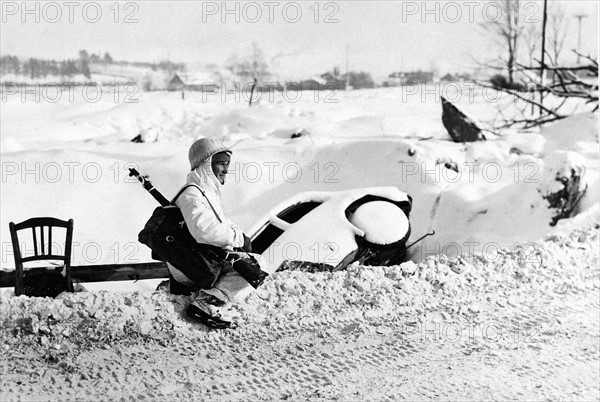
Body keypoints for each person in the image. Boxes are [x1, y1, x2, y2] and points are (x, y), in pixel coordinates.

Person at [168, 137, 262, 329]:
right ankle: (206, 303)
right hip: (190, 265)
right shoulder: (191, 195)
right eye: (221, 163)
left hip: (202, 260)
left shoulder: (206, 192)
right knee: (255, 265)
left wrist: (240, 236)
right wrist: (238, 238)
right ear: (205, 164)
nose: (226, 169)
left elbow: (221, 225)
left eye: (227, 164)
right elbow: (204, 231)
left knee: (252, 261)